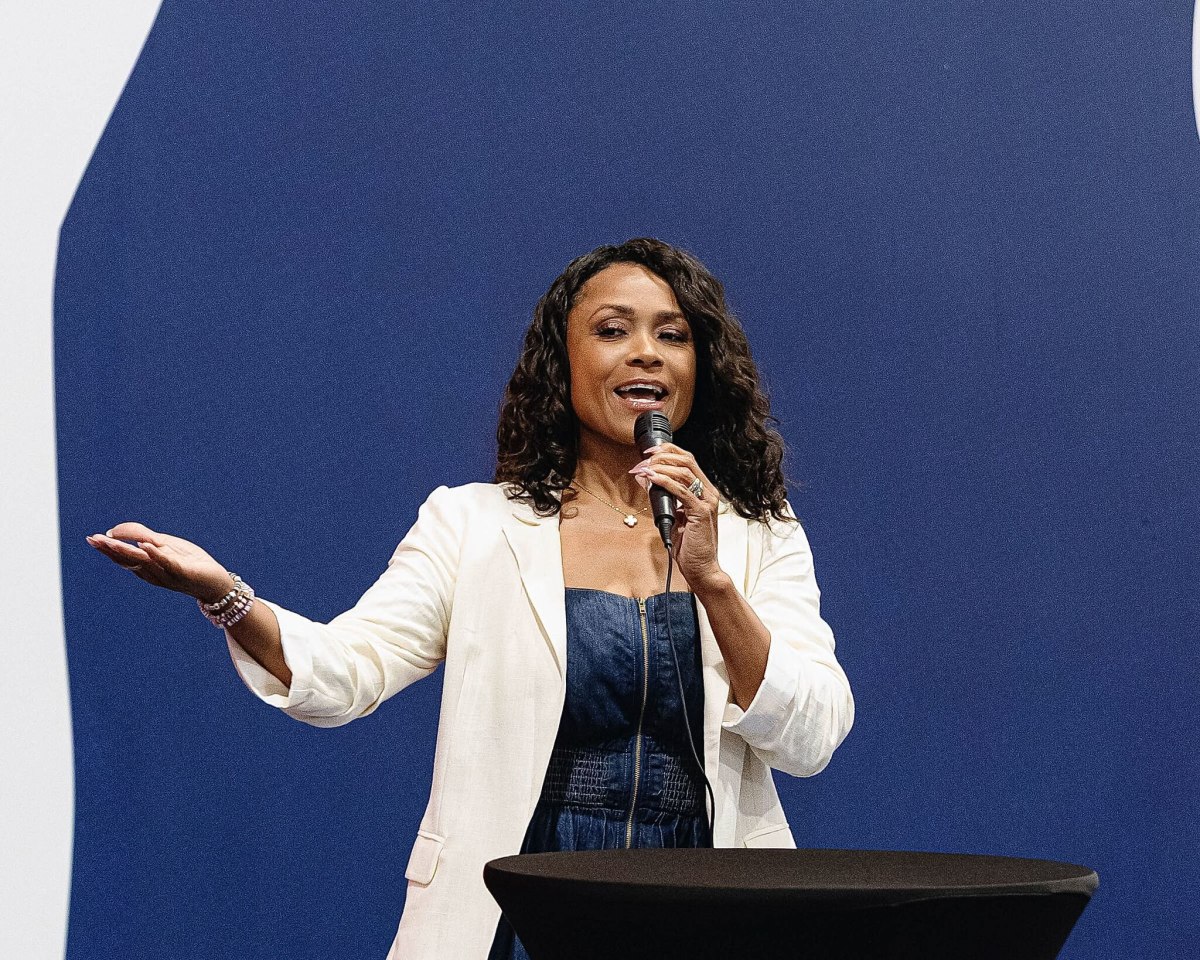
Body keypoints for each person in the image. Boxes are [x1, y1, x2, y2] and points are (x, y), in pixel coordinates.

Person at [87, 237, 854, 960]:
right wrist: (226, 595)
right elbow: (347, 670)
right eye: (613, 330)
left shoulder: (758, 537)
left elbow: (812, 736)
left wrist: (713, 581)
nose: (645, 352)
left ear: (701, 367)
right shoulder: (472, 524)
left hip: (707, 915)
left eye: (673, 335)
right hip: (517, 909)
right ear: (565, 362)